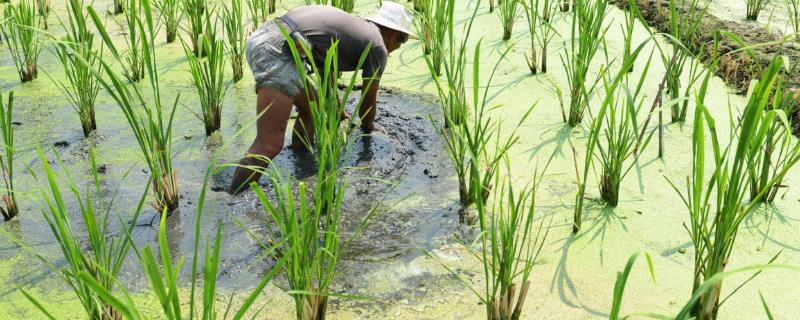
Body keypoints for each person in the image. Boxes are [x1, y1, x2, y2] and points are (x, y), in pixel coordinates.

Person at [229, 3, 416, 194]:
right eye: (402, 40)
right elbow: (368, 102)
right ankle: (233, 196)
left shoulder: (356, 31)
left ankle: (300, 156)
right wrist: (368, 126)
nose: (398, 46)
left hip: (270, 37)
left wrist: (337, 109)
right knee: (270, 143)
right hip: (278, 50)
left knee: (313, 108)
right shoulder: (377, 46)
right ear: (393, 33)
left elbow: (326, 68)